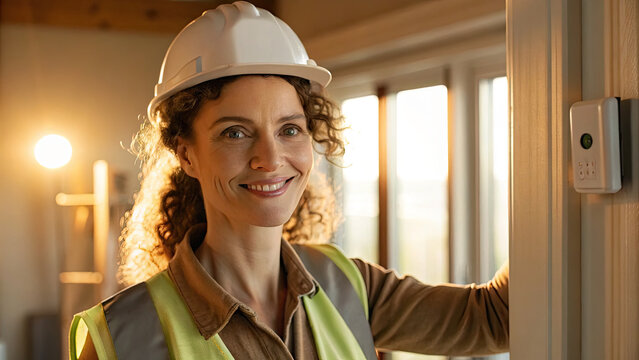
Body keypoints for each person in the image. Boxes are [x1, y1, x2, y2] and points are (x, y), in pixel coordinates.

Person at [69, 2, 509, 359]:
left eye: (289, 129)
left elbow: (497, 319)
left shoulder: (348, 286)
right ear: (186, 154)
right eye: (235, 133)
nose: (270, 158)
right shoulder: (121, 338)